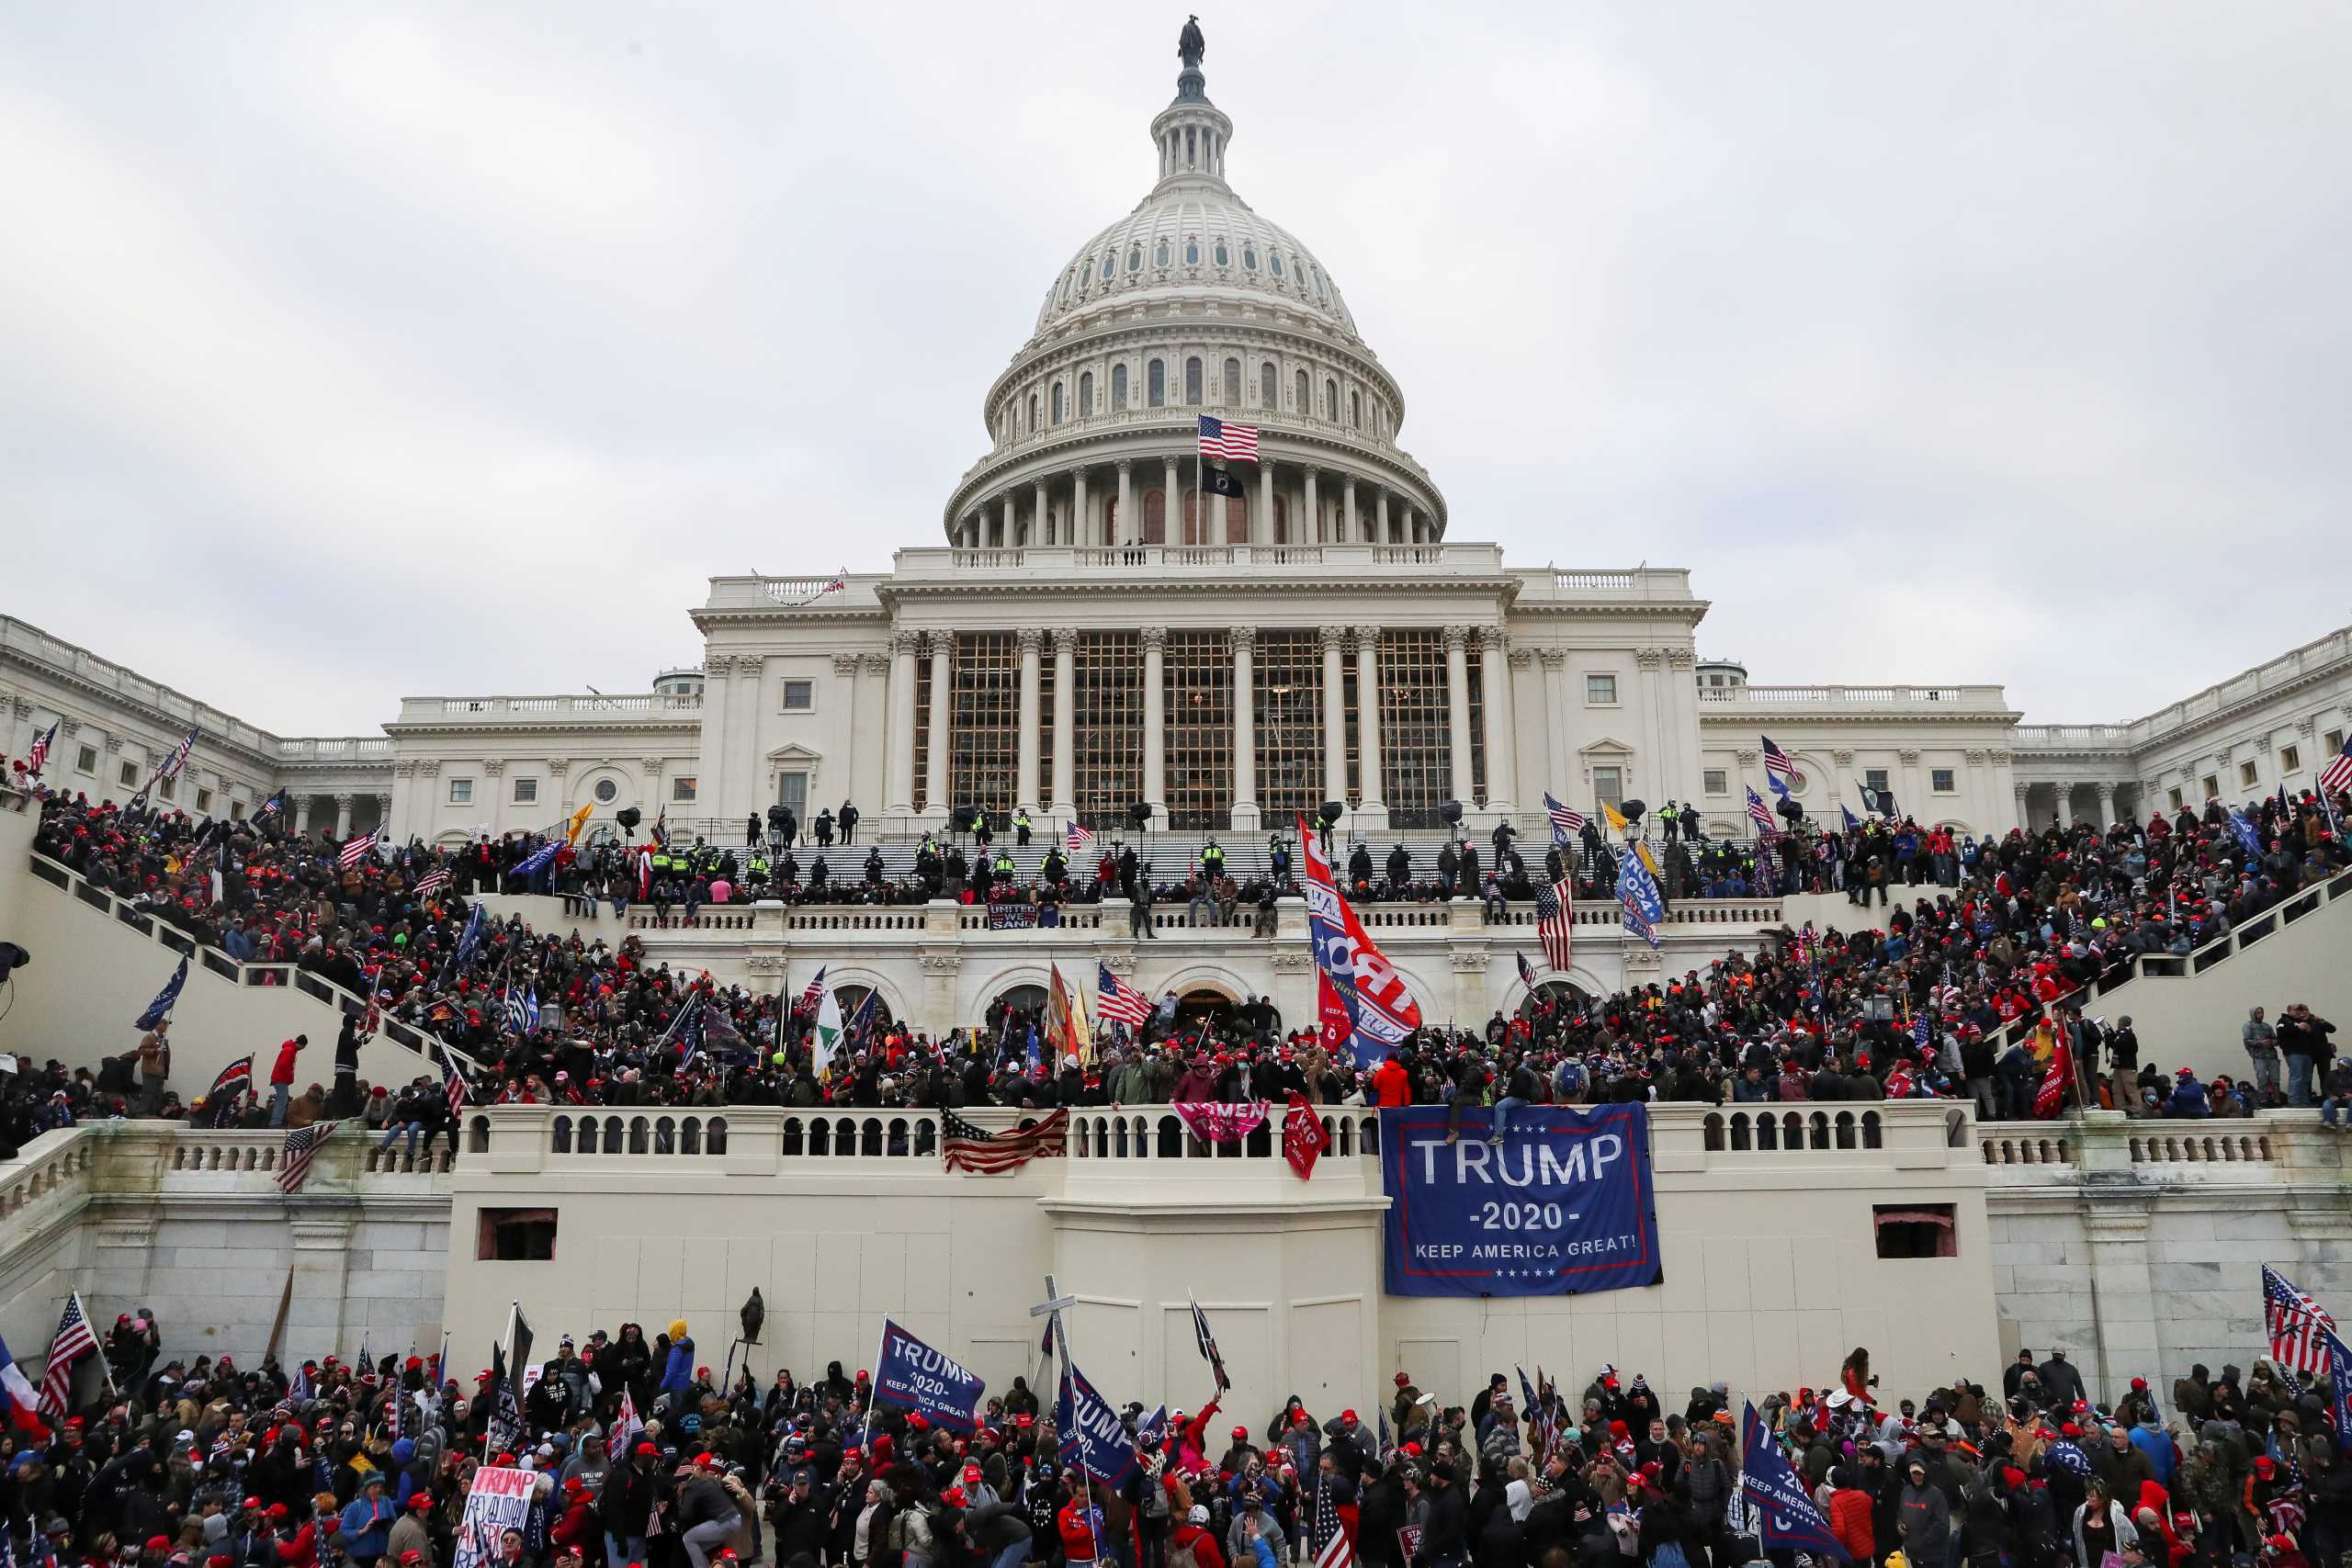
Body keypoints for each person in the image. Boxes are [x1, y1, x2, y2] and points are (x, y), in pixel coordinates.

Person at [268, 1034, 306, 1127]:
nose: (302, 1049)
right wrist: (289, 1075)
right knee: (282, 1101)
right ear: (301, 1044)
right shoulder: (290, 1051)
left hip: (279, 1078)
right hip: (281, 1079)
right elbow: (284, 1065)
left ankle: (275, 1121)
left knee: (282, 1100)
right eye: (303, 1047)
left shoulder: (289, 1049)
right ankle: (275, 1122)